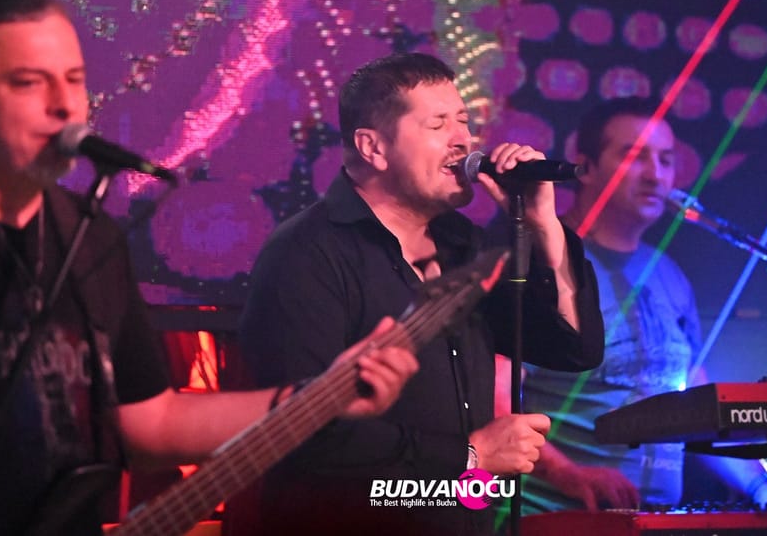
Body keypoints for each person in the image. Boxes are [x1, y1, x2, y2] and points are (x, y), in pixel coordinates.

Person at [0, 0, 419, 536]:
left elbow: (150, 424)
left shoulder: (88, 231)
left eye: (74, 80)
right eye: (29, 83)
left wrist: (318, 398)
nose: (65, 106)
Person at [235, 52, 605, 535]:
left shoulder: (464, 248)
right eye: (438, 124)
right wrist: (469, 457)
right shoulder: (306, 254)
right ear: (373, 147)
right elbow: (303, 434)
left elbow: (573, 349)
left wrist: (543, 225)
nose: (463, 140)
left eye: (464, 121)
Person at [518, 96, 767, 513]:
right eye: (635, 156)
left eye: (666, 160)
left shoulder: (668, 275)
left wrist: (763, 486)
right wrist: (570, 475)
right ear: (586, 167)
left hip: (656, 520)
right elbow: (493, 402)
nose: (656, 175)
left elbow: (696, 411)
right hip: (558, 518)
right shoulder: (539, 262)